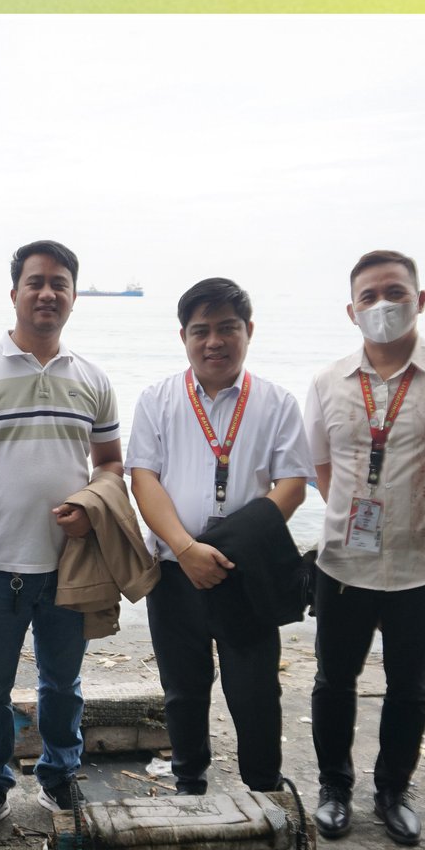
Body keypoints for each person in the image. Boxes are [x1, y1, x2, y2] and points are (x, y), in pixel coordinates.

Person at [304, 250, 425, 846]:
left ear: (421, 300)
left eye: (395, 292)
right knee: (333, 680)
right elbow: (322, 467)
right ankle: (334, 788)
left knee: (409, 684)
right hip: (344, 562)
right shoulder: (328, 382)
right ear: (351, 310)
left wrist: (416, 505)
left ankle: (393, 790)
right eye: (369, 296)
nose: (382, 305)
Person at [0, 240, 122, 841]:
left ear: (73, 296)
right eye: (35, 282)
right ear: (14, 292)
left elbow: (110, 463)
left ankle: (59, 774)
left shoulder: (92, 378)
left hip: (71, 565)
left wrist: (92, 508)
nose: (47, 293)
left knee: (63, 685)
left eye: (59, 283)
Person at [127, 278, 312, 795]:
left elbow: (292, 486)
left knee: (255, 688)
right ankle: (189, 779)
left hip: (247, 572)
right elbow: (144, 480)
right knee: (182, 687)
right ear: (183, 336)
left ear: (248, 331)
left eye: (227, 328)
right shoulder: (158, 399)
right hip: (175, 570)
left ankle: (263, 785)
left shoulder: (276, 402)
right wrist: (187, 549)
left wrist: (231, 548)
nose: (214, 341)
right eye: (201, 330)